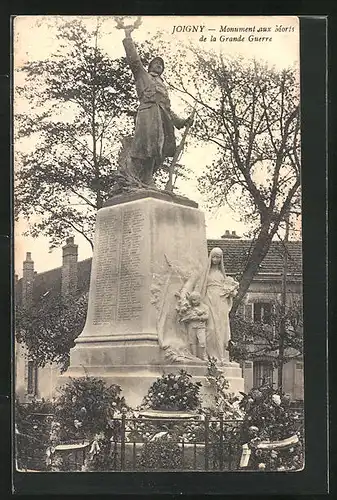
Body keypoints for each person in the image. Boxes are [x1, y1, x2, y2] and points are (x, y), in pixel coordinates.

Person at [122, 26, 193, 185]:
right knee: (145, 147)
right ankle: (135, 178)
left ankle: (146, 178)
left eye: (161, 64)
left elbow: (167, 109)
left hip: (162, 120)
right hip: (147, 116)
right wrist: (128, 36)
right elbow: (134, 60)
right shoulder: (142, 76)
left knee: (158, 150)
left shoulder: (163, 86)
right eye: (156, 63)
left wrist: (182, 122)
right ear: (150, 66)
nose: (159, 65)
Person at [179, 247, 239, 364]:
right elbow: (199, 288)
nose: (216, 259)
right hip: (208, 300)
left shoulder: (222, 275)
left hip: (220, 301)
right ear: (210, 257)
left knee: (221, 328)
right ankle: (209, 355)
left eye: (218, 257)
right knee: (210, 329)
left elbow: (228, 288)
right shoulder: (206, 273)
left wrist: (230, 292)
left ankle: (220, 355)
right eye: (214, 257)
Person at [178, 291, 209, 361]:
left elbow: (206, 317)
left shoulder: (205, 307)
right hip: (191, 326)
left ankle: (203, 356)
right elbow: (185, 315)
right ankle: (194, 356)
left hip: (201, 326)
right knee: (192, 342)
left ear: (199, 299)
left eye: (194, 300)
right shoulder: (190, 307)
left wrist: (198, 318)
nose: (193, 302)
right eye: (192, 300)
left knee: (202, 342)